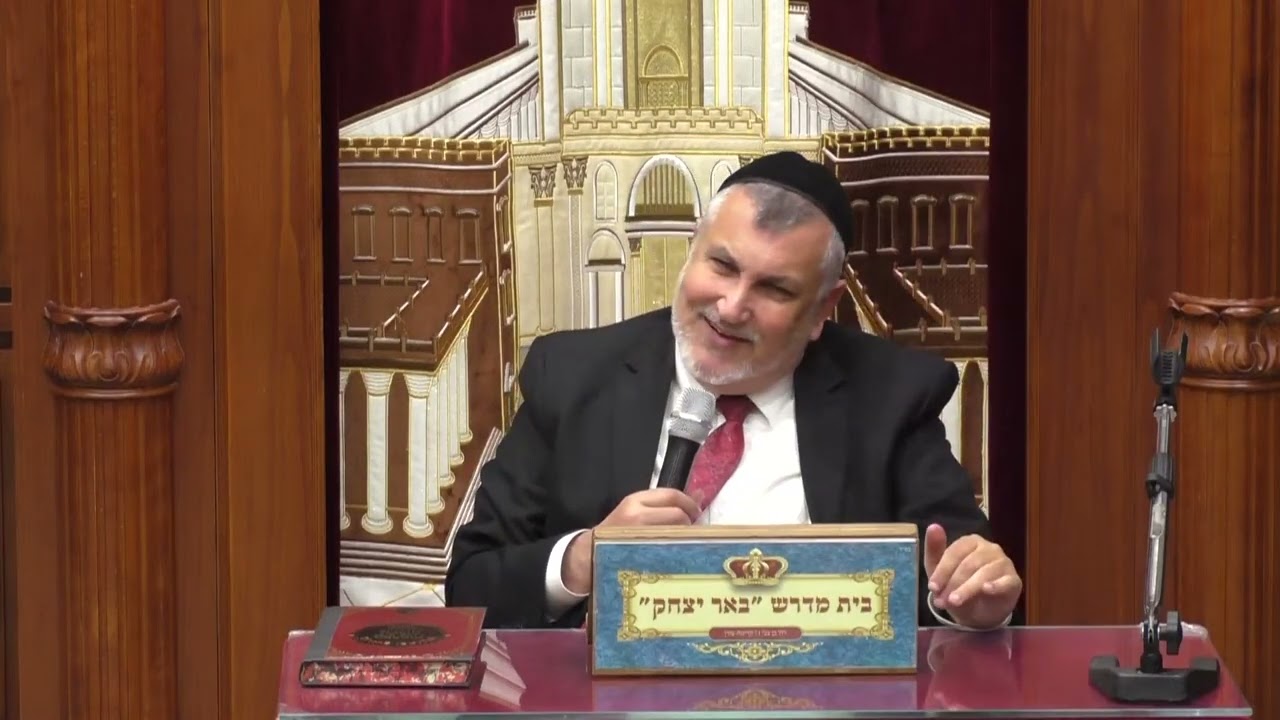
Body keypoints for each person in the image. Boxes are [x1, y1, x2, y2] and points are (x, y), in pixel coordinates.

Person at [445, 151, 1022, 631]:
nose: (732, 306)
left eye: (774, 289)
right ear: (691, 251)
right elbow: (471, 586)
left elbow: (961, 579)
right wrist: (584, 558)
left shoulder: (891, 397)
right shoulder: (572, 375)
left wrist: (973, 603)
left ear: (823, 309)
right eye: (722, 265)